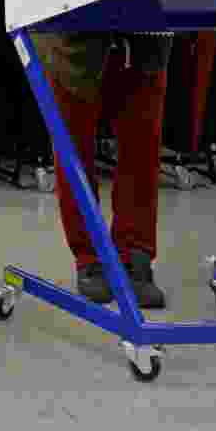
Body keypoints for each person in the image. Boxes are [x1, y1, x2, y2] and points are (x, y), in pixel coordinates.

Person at [33, 32, 171, 308]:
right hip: (71, 37)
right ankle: (89, 257)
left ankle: (135, 255)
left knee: (142, 150)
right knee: (73, 152)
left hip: (147, 33)